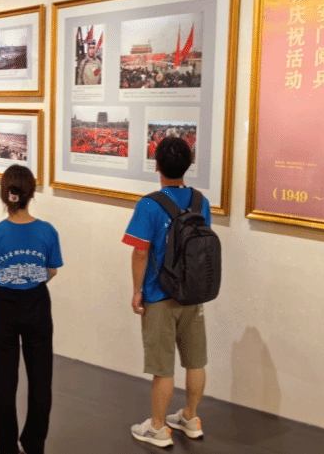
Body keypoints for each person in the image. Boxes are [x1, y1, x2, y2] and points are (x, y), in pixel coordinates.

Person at [122, 137, 210, 448]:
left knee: (162, 368)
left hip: (159, 295)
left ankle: (158, 427)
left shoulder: (149, 204)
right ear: (188, 165)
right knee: (195, 361)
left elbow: (140, 252)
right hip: (193, 294)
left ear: (156, 165)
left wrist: (137, 290)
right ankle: (190, 418)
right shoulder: (200, 201)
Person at [0, 165, 64, 454]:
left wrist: (12, 281)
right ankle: (34, 443)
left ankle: (6, 446)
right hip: (38, 304)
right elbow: (52, 269)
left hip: (4, 306)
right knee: (41, 379)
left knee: (4, 381)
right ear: (32, 193)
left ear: (5, 195)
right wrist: (32, 280)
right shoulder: (47, 230)